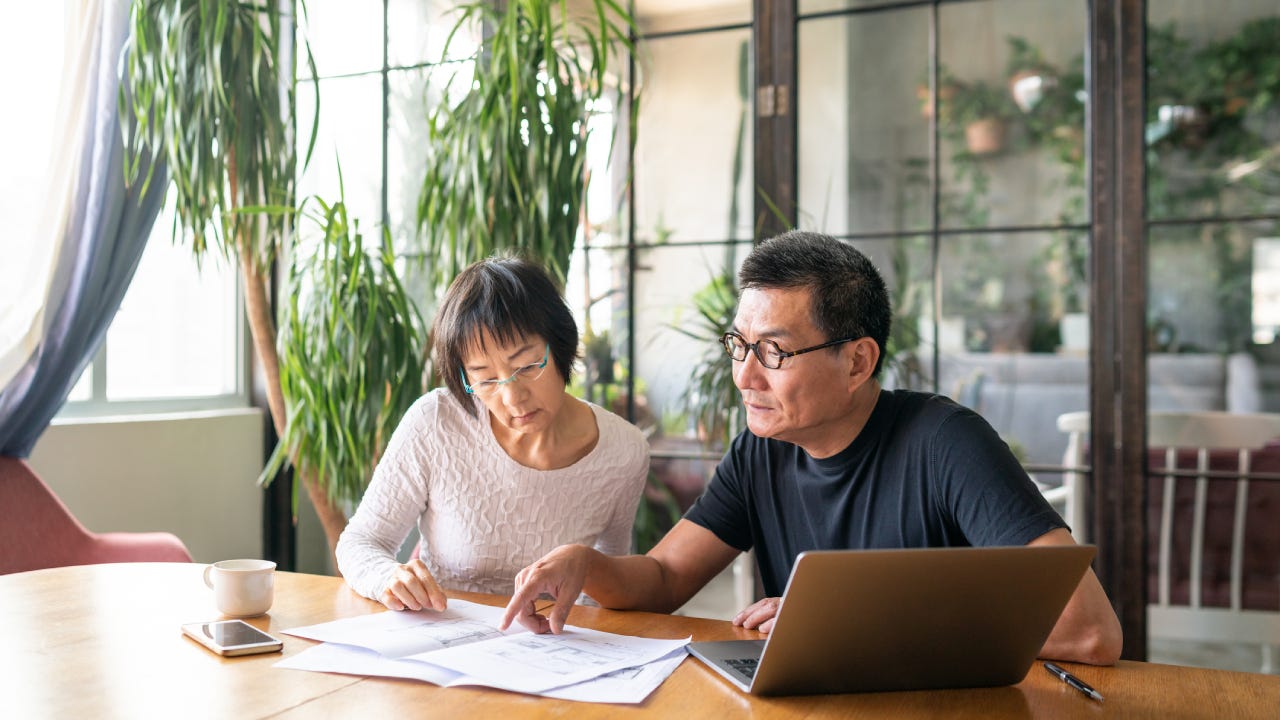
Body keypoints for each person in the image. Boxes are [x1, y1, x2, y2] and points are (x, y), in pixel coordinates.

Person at [501, 230, 1123, 666]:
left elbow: (1090, 633)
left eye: (774, 352)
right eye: (739, 345)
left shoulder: (946, 443)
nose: (745, 376)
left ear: (858, 360)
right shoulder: (761, 452)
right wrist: (587, 562)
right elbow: (663, 578)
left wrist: (858, 627)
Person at [336, 255, 649, 612]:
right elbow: (361, 541)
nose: (512, 397)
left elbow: (607, 588)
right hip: (443, 640)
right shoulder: (436, 421)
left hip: (554, 649)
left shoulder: (624, 450)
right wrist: (387, 577)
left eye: (527, 366)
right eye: (485, 379)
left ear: (560, 344)